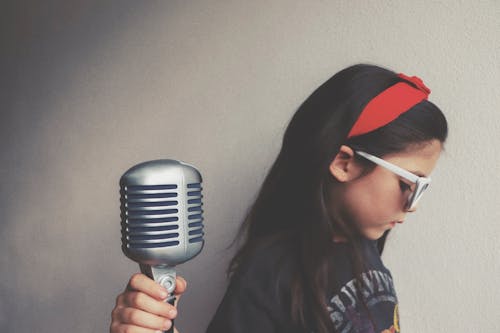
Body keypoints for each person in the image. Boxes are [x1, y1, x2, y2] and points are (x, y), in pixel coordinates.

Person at [110, 63, 448, 333]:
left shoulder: (365, 248)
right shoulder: (272, 270)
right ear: (344, 163)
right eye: (408, 184)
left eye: (423, 188)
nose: (413, 205)